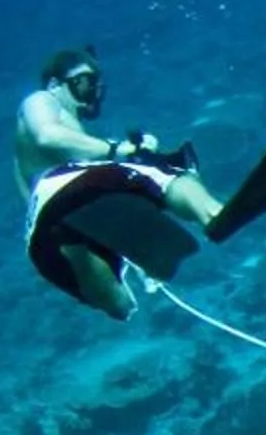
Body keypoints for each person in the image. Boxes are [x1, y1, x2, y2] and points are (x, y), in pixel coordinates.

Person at [14, 48, 225, 319]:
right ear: (55, 83)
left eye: (96, 88)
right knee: (172, 169)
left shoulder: (28, 152)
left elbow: (34, 196)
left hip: (43, 220)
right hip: (71, 180)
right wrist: (119, 149)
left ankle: (110, 282)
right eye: (84, 83)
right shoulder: (41, 99)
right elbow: (47, 135)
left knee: (120, 306)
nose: (91, 94)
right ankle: (213, 214)